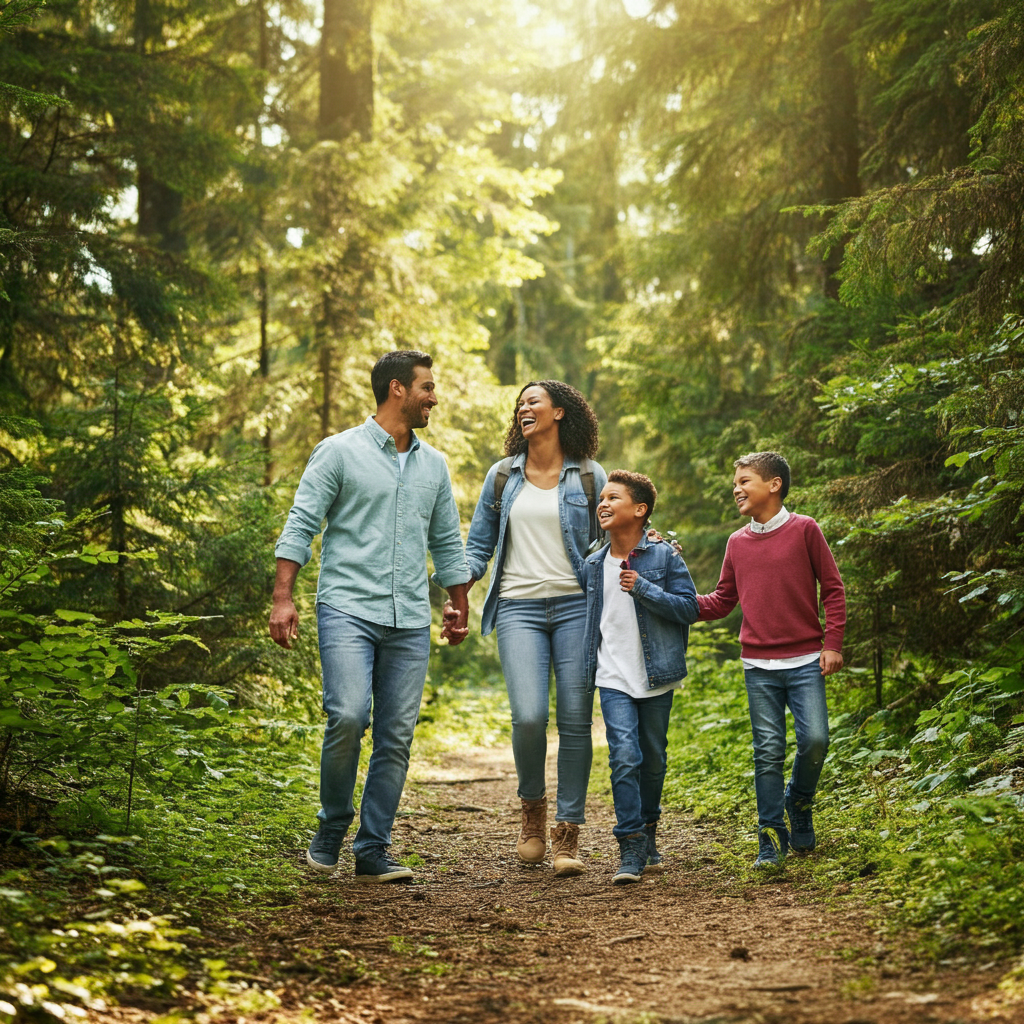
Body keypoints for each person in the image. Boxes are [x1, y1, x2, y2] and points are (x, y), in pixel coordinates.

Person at [269, 350, 471, 884]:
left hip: (408, 618)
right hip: (347, 608)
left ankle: (373, 847)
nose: (434, 396)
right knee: (349, 715)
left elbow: (448, 541)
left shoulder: (434, 465)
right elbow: (301, 523)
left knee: (396, 735)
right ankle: (332, 827)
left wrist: (459, 601)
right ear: (398, 389)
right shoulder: (338, 453)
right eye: (427, 387)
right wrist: (283, 597)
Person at [459, 380, 606, 876]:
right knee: (527, 716)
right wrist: (456, 586)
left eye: (533, 402)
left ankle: (568, 832)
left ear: (559, 413)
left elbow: (610, 544)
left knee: (574, 720)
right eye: (519, 404)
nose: (524, 409)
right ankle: (532, 812)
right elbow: (478, 545)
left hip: (576, 607)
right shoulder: (502, 476)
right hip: (518, 606)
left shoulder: (588, 476)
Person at [696, 451, 846, 868]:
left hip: (804, 660)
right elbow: (722, 600)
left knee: (816, 740)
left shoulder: (805, 530)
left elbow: (832, 589)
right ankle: (770, 838)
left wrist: (832, 642)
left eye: (745, 481)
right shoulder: (737, 542)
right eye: (736, 483)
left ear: (774, 484)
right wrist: (671, 598)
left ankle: (798, 801)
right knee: (767, 751)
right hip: (758, 666)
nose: (737, 489)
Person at [581, 471, 698, 884]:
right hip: (613, 676)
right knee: (624, 755)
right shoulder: (593, 564)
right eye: (602, 499)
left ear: (640, 510)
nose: (604, 504)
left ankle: (649, 830)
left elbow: (689, 608)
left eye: (614, 497)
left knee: (653, 760)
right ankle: (629, 843)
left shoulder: (665, 557)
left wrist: (644, 588)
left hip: (656, 675)